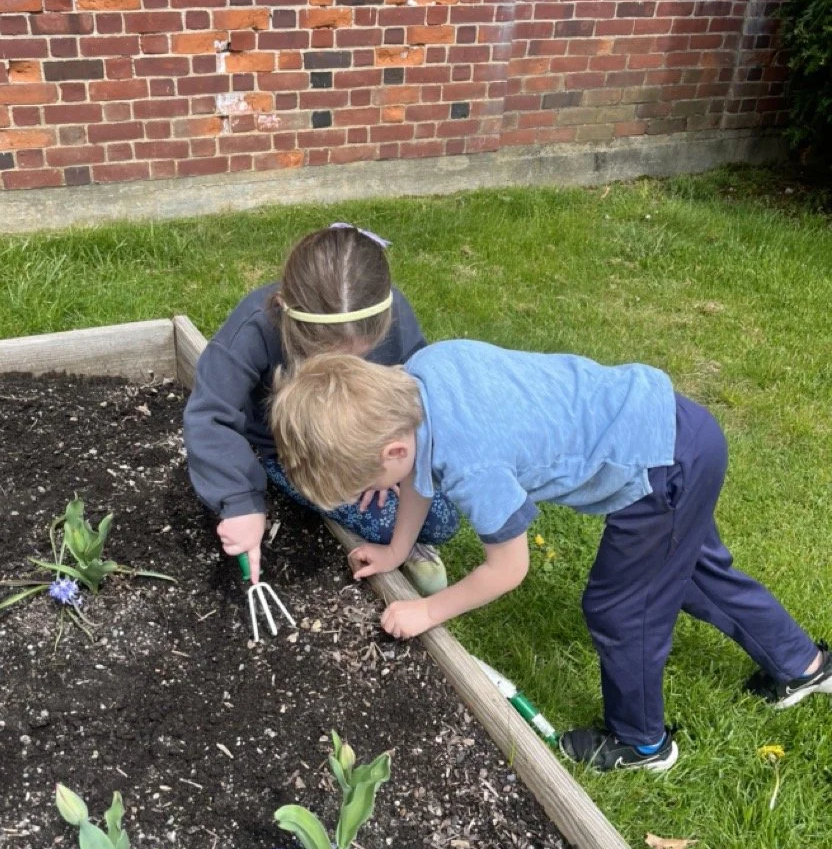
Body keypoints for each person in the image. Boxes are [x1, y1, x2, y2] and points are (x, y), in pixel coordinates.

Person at [269, 340, 831, 772]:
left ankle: (641, 742)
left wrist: (427, 612)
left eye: (372, 480)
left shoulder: (472, 462)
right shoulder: (423, 376)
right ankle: (803, 665)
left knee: (622, 609)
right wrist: (397, 549)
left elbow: (508, 569)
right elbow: (417, 473)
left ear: (391, 450)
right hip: (677, 429)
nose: (378, 491)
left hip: (658, 472)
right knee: (690, 572)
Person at [182, 222, 458, 593]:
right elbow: (209, 415)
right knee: (406, 519)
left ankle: (400, 539)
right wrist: (240, 503)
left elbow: (416, 388)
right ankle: (401, 543)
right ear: (284, 311)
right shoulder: (255, 326)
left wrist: (390, 467)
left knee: (445, 518)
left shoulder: (390, 315)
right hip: (300, 453)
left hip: (370, 447)